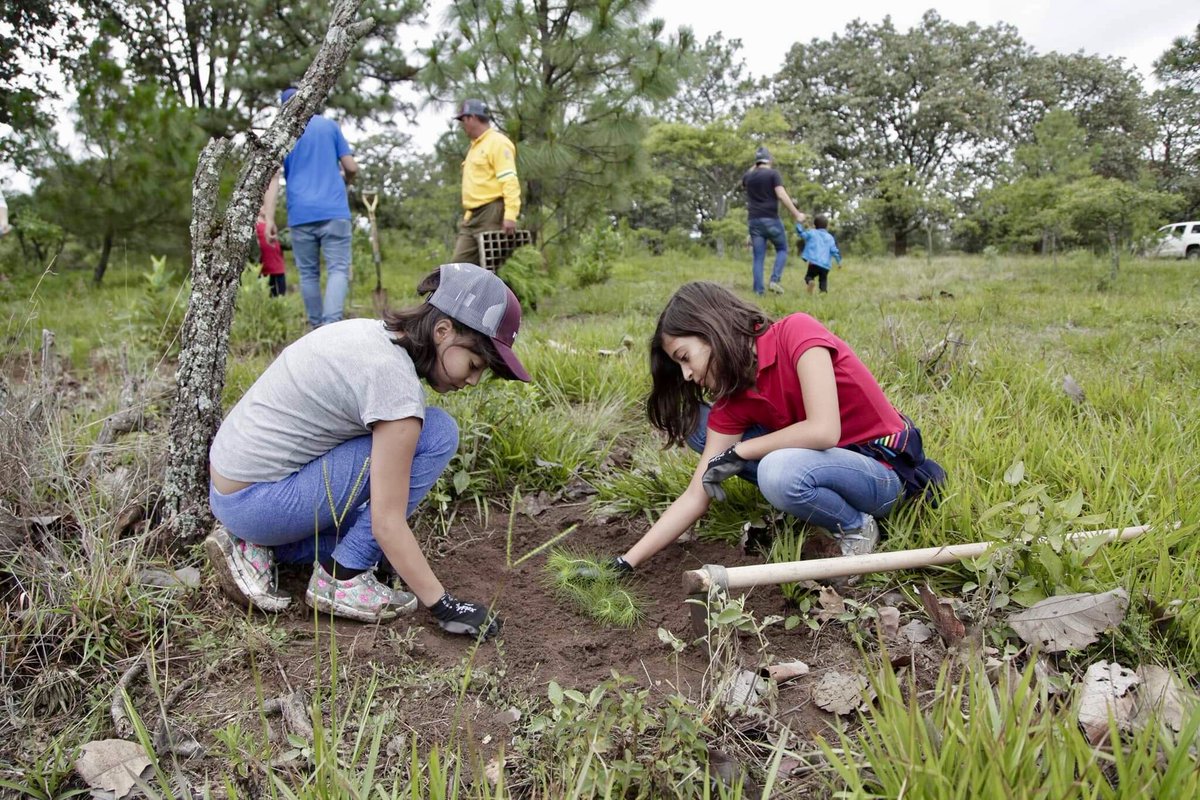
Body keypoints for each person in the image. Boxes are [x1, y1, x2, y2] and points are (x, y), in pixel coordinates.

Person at [204, 262, 531, 638]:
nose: (472, 380)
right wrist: (444, 604)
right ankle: (341, 579)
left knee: (378, 538)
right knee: (438, 433)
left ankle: (262, 546)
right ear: (443, 331)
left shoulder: (373, 335)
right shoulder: (394, 385)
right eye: (474, 364)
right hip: (259, 501)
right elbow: (386, 522)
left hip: (235, 492)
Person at [607, 281, 945, 575]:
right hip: (823, 465)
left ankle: (856, 527)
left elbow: (824, 430)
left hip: (884, 474)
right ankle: (815, 502)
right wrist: (626, 561)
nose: (686, 375)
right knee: (700, 424)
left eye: (685, 357)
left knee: (777, 470)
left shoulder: (796, 332)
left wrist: (739, 451)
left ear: (711, 330)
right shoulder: (732, 399)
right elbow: (697, 494)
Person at [261, 87, 359, 327]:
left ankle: (317, 329)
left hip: (301, 214)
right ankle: (331, 324)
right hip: (334, 210)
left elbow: (273, 178)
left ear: (284, 108)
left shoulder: (283, 133)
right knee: (338, 269)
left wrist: (269, 218)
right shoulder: (329, 126)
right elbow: (352, 167)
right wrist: (346, 182)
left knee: (308, 274)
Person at [450, 99, 521, 268]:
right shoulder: (474, 147)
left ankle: (504, 295)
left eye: (463, 120)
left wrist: (510, 215)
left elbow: (509, 180)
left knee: (490, 268)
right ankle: (467, 295)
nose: (462, 125)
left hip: (491, 212)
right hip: (472, 216)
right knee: (458, 267)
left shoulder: (497, 143)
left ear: (472, 118)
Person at [741, 147, 803, 295]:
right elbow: (781, 194)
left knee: (758, 257)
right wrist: (796, 213)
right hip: (771, 219)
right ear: (770, 160)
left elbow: (745, 179)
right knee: (782, 249)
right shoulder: (773, 174)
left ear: (756, 162)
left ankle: (758, 292)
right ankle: (774, 280)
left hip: (754, 221)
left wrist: (756, 165)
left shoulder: (749, 177)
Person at [795, 213, 841, 294]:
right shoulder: (830, 237)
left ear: (815, 225)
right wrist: (838, 262)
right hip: (825, 266)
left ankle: (810, 282)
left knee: (809, 276)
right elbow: (834, 251)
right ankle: (823, 292)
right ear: (827, 226)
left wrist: (798, 224)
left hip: (813, 263)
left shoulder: (812, 232)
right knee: (823, 280)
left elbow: (802, 234)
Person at [255, 212, 287, 297]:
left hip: (277, 269)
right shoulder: (254, 223)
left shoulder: (270, 222)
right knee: (262, 298)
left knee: (279, 298)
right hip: (262, 270)